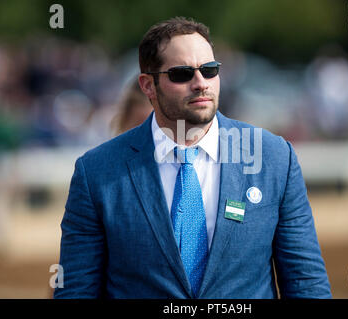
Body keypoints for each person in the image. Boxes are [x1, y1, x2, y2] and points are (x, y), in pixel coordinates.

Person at [54, 17, 331, 299]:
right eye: (182, 74)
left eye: (210, 70)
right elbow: (76, 291)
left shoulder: (275, 158)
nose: (200, 83)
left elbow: (306, 282)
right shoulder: (96, 172)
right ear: (148, 85)